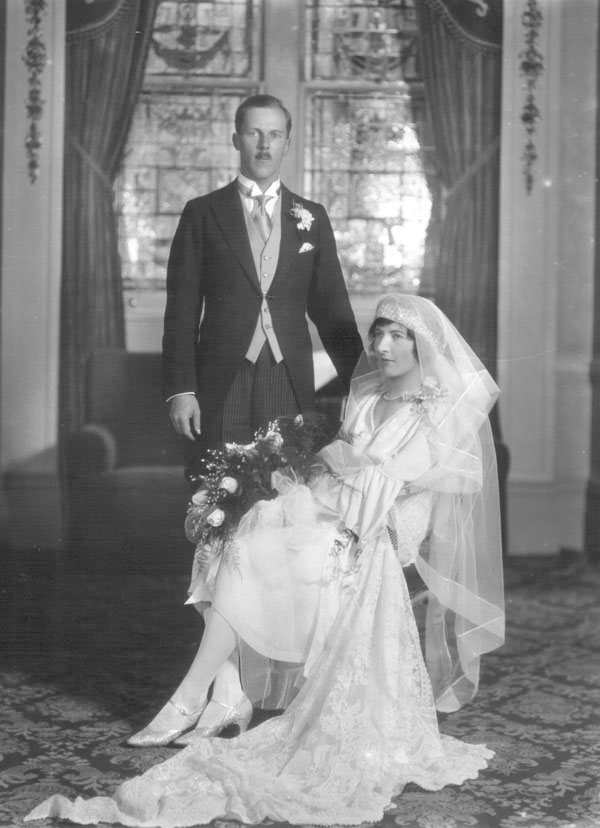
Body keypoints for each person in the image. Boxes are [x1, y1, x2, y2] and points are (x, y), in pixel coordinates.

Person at [26, 294, 505, 827]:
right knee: (229, 540)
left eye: (397, 336)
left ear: (423, 346)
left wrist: (354, 476)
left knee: (256, 550)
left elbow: (403, 488)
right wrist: (325, 480)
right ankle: (220, 691)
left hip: (374, 538)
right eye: (377, 334)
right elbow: (335, 468)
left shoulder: (437, 410)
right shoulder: (366, 398)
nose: (381, 346)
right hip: (330, 513)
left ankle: (197, 696)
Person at [161, 93, 363, 729]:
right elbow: (179, 312)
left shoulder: (312, 217)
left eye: (276, 135)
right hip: (221, 388)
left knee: (274, 535)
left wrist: (369, 382)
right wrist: (180, 389)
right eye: (254, 134)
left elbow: (331, 311)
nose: (265, 145)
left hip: (285, 388)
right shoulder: (202, 214)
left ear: (289, 141)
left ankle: (244, 682)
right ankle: (227, 689)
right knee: (218, 527)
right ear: (236, 138)